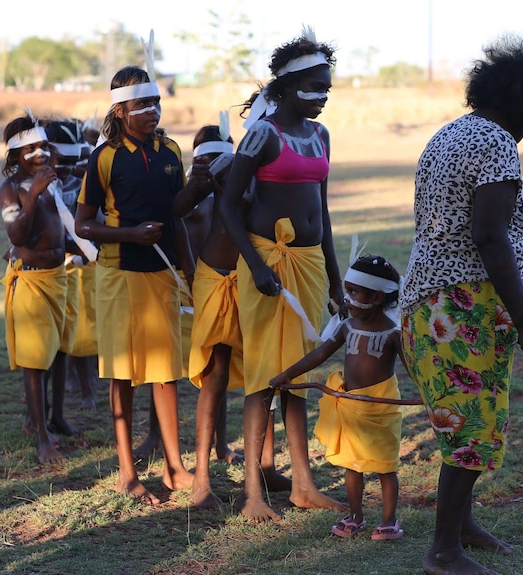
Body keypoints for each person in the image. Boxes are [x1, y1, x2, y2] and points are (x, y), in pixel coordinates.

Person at [400, 35, 523, 575]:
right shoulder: (495, 141)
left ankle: (462, 527)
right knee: (471, 428)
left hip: (436, 301)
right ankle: (443, 553)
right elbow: (489, 236)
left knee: (473, 421)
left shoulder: (449, 134)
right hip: (460, 306)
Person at [219, 26, 346, 522]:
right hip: (267, 267)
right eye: (313, 88)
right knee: (264, 380)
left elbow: (324, 212)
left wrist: (335, 280)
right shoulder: (262, 134)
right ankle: (252, 493)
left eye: (327, 89)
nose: (321, 98)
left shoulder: (320, 137)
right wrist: (254, 265)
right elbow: (230, 207)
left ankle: (303, 485)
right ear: (287, 86)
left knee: (298, 376)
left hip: (310, 266)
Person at [74, 38, 196, 504]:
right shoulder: (104, 157)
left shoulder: (171, 152)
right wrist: (130, 235)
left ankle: (175, 467)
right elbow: (85, 225)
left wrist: (189, 271)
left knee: (166, 373)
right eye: (141, 104)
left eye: (156, 102)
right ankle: (127, 472)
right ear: (121, 110)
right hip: (119, 277)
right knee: (122, 373)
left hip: (164, 276)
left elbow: (178, 218)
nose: (152, 111)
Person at [174, 118, 290, 508]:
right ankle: (201, 480)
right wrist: (198, 181)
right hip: (215, 275)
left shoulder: (260, 166)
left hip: (252, 275)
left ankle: (265, 467)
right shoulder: (203, 189)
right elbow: (177, 212)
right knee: (216, 372)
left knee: (265, 369)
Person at [271, 254, 406, 540]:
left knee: (385, 467)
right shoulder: (347, 327)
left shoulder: (394, 333)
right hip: (349, 405)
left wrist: (433, 397)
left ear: (378, 297)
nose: (347, 299)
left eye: (354, 293)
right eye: (347, 291)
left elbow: (415, 369)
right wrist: (288, 375)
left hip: (380, 408)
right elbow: (320, 354)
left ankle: (389, 520)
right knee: (352, 464)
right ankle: (355, 515)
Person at [0, 109, 69, 464]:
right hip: (31, 282)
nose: (40, 153)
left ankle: (53, 418)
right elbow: (17, 234)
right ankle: (42, 439)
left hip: (59, 279)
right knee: (35, 361)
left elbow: (64, 228)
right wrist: (33, 194)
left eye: (43, 146)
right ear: (15, 155)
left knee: (57, 351)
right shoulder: (10, 189)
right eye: (31, 149)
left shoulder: (53, 183)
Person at [45, 118, 99, 411]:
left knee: (82, 333)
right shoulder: (35, 187)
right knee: (48, 335)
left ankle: (87, 387)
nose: (67, 167)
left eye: (73, 160)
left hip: (78, 265)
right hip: (49, 267)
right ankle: (44, 393)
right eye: (61, 160)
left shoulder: (81, 184)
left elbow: (87, 227)